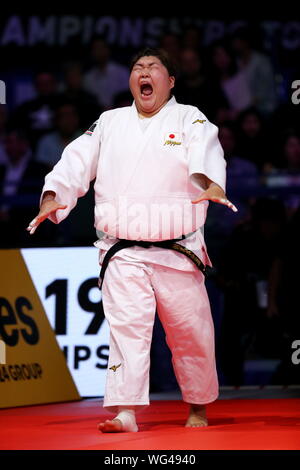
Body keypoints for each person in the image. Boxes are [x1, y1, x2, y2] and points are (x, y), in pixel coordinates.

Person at [26, 48, 237, 433]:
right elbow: (76, 160)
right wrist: (54, 196)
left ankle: (197, 408)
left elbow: (207, 151)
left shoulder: (189, 117)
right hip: (121, 250)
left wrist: (211, 183)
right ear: (131, 81)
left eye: (153, 67)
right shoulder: (109, 122)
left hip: (179, 249)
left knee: (191, 333)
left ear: (170, 81)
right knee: (127, 332)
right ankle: (126, 413)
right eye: (137, 67)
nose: (144, 72)